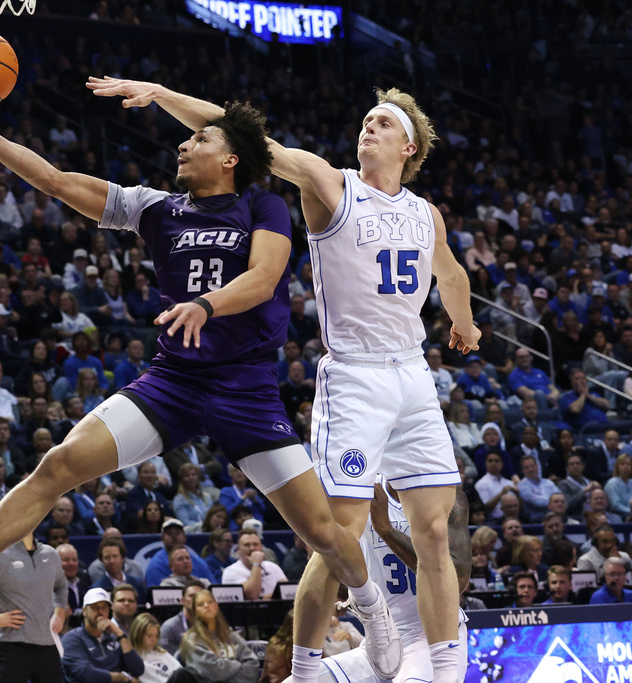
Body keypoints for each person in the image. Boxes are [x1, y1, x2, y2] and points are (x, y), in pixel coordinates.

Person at [0, 70, 398, 683]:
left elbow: (263, 277)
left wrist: (205, 305)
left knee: (326, 534)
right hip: (172, 383)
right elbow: (54, 180)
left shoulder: (264, 203)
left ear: (229, 157)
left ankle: (372, 611)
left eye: (197, 140)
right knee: (57, 464)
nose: (182, 145)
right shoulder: (157, 209)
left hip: (245, 390)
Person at [89, 76, 475, 683]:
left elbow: (450, 275)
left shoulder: (425, 214)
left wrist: (466, 325)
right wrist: (165, 96)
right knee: (337, 534)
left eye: (381, 124)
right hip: (354, 377)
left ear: (408, 148)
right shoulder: (331, 184)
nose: (366, 128)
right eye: (365, 121)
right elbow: (245, 136)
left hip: (413, 374)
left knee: (432, 530)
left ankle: (450, 670)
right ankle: (302, 670)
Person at [317, 478, 471, 683]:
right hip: (380, 640)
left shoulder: (446, 494)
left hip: (433, 637)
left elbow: (459, 578)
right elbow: (344, 587)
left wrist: (387, 530)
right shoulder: (359, 492)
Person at [0, 530, 68, 682]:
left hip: (49, 645)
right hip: (14, 647)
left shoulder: (50, 554)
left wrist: (60, 610)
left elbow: (61, 584)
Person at [60, 587, 145, 683]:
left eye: (104, 608)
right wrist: (123, 677)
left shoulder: (114, 636)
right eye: (95, 607)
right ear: (84, 611)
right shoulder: (72, 638)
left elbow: (138, 669)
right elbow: (87, 674)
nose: (100, 612)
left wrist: (120, 634)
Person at [180, 588, 260, 683]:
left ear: (216, 606)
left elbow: (252, 663)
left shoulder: (231, 635)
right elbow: (214, 671)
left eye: (210, 602)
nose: (206, 606)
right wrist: (238, 664)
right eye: (200, 604)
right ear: (195, 611)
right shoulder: (192, 639)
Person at [221, 528, 287, 600]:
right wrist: (256, 564)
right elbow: (252, 595)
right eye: (247, 545)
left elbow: (288, 593)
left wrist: (268, 597)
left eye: (255, 544)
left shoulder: (273, 567)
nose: (252, 548)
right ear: (238, 549)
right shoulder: (230, 571)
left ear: (261, 547)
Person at [129, 612, 183, 683]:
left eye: (156, 636)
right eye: (149, 636)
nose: (153, 640)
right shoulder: (132, 656)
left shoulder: (161, 652)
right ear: (138, 635)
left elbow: (180, 671)